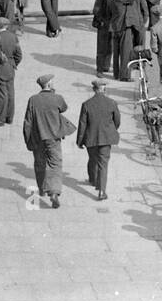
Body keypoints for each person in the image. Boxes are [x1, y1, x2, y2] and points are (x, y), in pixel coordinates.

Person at [23, 74, 69, 208]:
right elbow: (64, 107)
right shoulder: (57, 98)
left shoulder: (33, 100)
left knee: (39, 163)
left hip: (38, 138)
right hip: (53, 138)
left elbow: (27, 122)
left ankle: (42, 189)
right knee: (55, 163)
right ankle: (54, 192)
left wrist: (28, 140)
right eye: (52, 82)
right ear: (49, 84)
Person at [76, 78, 121, 201]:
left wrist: (79, 141)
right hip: (106, 138)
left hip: (91, 138)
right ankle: (101, 191)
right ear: (104, 89)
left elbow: (82, 124)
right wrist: (111, 130)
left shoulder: (86, 104)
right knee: (103, 164)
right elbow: (117, 121)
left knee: (92, 159)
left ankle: (93, 180)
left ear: (93, 89)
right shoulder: (112, 102)